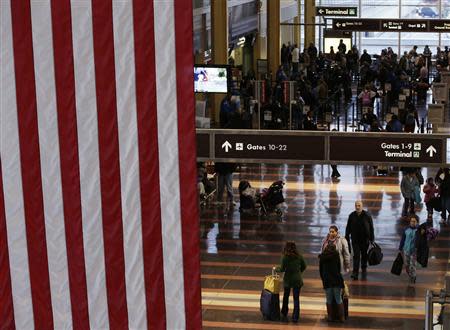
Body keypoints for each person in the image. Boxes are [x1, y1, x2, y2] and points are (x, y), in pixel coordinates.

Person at [274, 241, 307, 323]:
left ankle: (284, 312)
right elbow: (304, 266)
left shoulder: (285, 257)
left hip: (288, 279)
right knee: (296, 299)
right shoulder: (299, 256)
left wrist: (275, 269)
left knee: (286, 296)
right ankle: (295, 317)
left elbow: (281, 269)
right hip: (297, 279)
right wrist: (299, 272)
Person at [345, 200, 374, 280]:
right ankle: (355, 273)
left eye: (359, 206)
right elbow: (348, 227)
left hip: (365, 240)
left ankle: (364, 266)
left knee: (364, 255)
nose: (357, 207)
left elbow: (371, 228)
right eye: (356, 205)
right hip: (355, 240)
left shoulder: (367, 216)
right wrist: (346, 237)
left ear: (362, 206)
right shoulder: (351, 216)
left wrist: (372, 239)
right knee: (356, 256)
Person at [319, 245, 345, 323]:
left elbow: (321, 270)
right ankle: (342, 317)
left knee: (328, 300)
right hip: (336, 280)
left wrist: (323, 279)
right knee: (339, 299)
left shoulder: (322, 257)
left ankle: (330, 317)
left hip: (327, 280)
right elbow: (339, 267)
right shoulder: (336, 255)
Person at [398, 216, 423, 285]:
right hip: (406, 250)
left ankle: (413, 277)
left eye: (414, 221)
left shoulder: (419, 230)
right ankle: (410, 274)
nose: (413, 223)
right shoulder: (406, 229)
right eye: (411, 221)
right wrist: (400, 248)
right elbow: (403, 239)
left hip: (414, 251)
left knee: (413, 265)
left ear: (417, 222)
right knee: (407, 264)